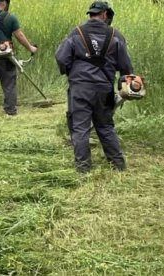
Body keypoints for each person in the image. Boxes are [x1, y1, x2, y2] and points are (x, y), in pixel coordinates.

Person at [55, 1, 134, 173]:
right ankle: (118, 165)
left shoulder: (76, 33)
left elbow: (61, 58)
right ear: (105, 14)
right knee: (105, 126)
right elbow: (126, 67)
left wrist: (71, 72)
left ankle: (83, 169)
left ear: (91, 14)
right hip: (103, 89)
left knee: (80, 128)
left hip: (80, 88)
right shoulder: (116, 35)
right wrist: (124, 84)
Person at [0, 0, 38, 116]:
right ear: (4, 3)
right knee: (9, 84)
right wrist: (31, 48)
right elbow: (19, 35)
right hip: (6, 57)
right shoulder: (10, 18)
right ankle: (10, 110)